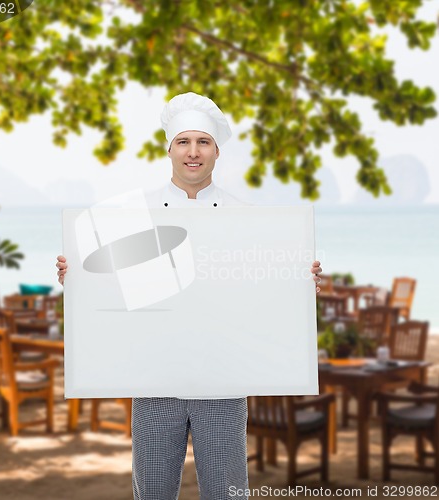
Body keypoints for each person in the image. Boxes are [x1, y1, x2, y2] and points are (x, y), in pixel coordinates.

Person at [56, 92, 323, 500]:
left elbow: (258, 295)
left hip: (222, 382)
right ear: (169, 149)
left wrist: (300, 283)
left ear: (217, 151)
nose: (193, 152)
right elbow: (114, 283)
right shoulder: (133, 214)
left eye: (203, 142)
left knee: (226, 492)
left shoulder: (245, 217)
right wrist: (75, 277)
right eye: (184, 142)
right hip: (154, 379)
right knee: (153, 492)